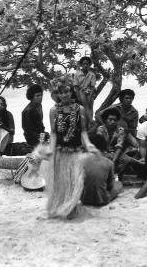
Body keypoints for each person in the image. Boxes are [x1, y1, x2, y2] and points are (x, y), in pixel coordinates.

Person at [41, 75, 99, 219]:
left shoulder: (79, 109)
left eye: (67, 91)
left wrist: (89, 144)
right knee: (61, 183)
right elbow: (53, 133)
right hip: (60, 151)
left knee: (75, 182)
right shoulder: (53, 110)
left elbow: (83, 131)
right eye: (61, 92)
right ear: (57, 94)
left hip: (75, 151)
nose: (64, 95)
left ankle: (71, 208)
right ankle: (60, 207)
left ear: (71, 92)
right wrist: (50, 150)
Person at [80, 134, 123, 206]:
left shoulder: (80, 160)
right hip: (102, 200)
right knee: (119, 184)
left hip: (83, 199)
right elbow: (110, 186)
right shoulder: (109, 163)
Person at [73, 56, 97, 123]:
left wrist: (90, 97)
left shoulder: (92, 75)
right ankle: (90, 120)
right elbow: (76, 87)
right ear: (81, 65)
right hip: (80, 91)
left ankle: (90, 120)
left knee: (90, 103)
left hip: (89, 91)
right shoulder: (77, 74)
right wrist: (78, 97)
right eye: (84, 64)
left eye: (87, 64)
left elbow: (92, 87)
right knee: (85, 103)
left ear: (89, 65)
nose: (86, 65)